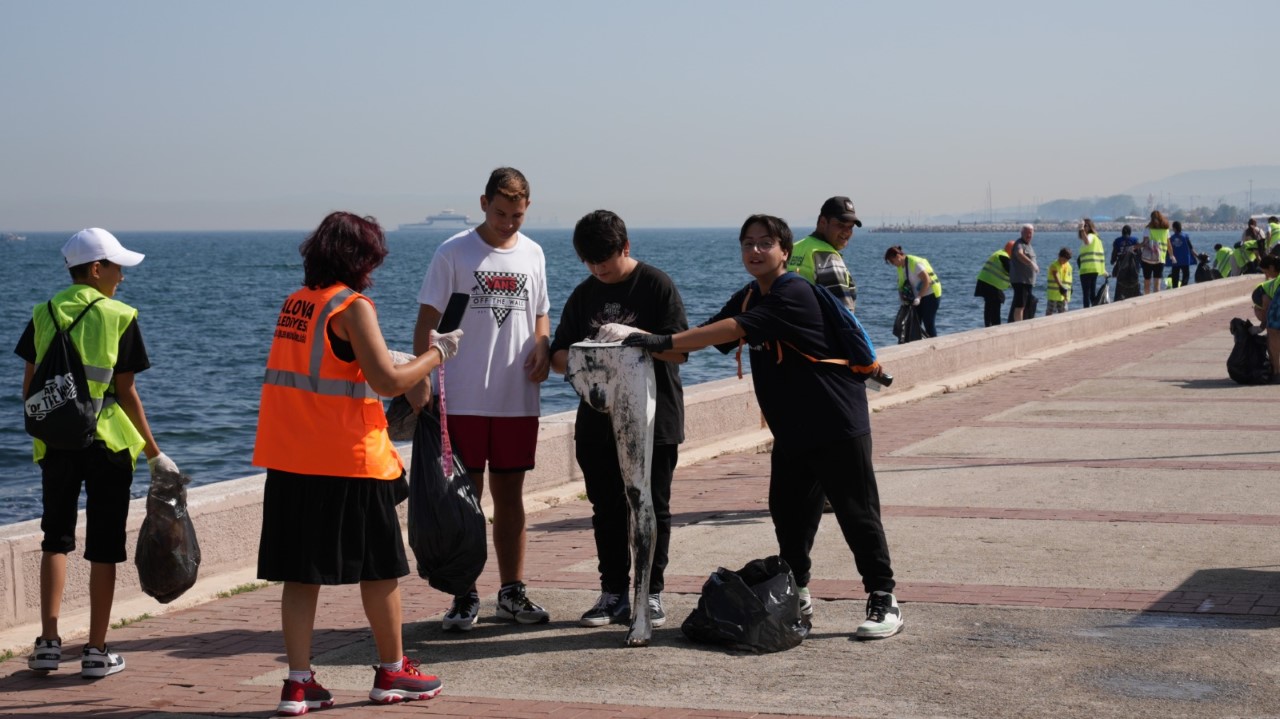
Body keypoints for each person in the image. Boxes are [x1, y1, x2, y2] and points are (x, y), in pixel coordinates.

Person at [622, 214, 903, 640]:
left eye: (765, 243)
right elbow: (709, 336)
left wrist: (663, 342)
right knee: (790, 518)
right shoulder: (752, 294)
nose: (755, 251)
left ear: (784, 252)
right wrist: (640, 342)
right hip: (792, 431)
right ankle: (798, 593)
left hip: (838, 424)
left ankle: (884, 598)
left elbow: (734, 329)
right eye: (747, 243)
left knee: (857, 514)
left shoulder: (793, 292)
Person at [254, 212, 454, 714]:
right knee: (381, 571)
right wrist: (437, 355)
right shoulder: (352, 305)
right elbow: (388, 382)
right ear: (362, 258)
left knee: (300, 575)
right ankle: (392, 672)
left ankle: (298, 684)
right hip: (349, 461)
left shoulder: (296, 305)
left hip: (291, 459)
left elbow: (324, 369)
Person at [16, 228, 170, 679]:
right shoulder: (119, 316)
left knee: (55, 538)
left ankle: (47, 643)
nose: (122, 277)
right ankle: (97, 651)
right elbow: (126, 393)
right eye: (118, 267)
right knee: (105, 546)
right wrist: (155, 452)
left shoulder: (43, 313)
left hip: (56, 443)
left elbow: (29, 389)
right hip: (107, 444)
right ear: (97, 269)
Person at [412, 167, 553, 631]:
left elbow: (541, 317)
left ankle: (511, 592)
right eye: (499, 212)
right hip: (463, 396)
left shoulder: (534, 253)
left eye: (516, 214)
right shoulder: (452, 252)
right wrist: (421, 381)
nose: (508, 222)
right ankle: (464, 593)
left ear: (527, 208)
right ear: (482, 203)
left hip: (516, 399)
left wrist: (541, 345)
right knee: (464, 500)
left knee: (510, 497)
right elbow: (426, 321)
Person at [547, 210, 688, 629]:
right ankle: (612, 594)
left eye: (604, 263)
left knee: (652, 506)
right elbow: (558, 357)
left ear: (625, 248)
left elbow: (680, 350)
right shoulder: (583, 293)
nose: (597, 271)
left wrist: (636, 339)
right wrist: (586, 354)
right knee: (605, 508)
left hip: (653, 419)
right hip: (596, 420)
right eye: (589, 264)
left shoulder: (656, 285)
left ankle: (652, 592)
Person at [787, 196, 862, 313]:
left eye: (850, 227)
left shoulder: (794, 248)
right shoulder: (827, 256)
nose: (847, 232)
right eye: (841, 225)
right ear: (822, 222)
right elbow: (843, 314)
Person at [884, 245, 941, 337]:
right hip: (918, 296)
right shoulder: (900, 267)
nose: (892, 264)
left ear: (898, 256)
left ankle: (934, 345)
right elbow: (901, 285)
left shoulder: (914, 263)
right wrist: (902, 299)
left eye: (892, 261)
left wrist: (919, 297)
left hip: (931, 294)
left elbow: (927, 281)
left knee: (928, 323)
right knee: (915, 323)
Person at [974, 244, 1011, 327]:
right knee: (995, 302)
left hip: (986, 281)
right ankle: (995, 325)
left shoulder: (1000, 253)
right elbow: (1011, 271)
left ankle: (989, 325)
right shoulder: (1004, 256)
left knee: (991, 303)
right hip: (989, 282)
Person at [1008, 224, 1039, 322]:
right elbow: (1019, 254)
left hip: (1028, 282)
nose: (1029, 235)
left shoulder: (1028, 245)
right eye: (1027, 233)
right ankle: (1018, 325)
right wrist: (1031, 264)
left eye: (1030, 233)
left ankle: (1022, 322)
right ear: (1022, 233)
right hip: (1020, 281)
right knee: (1020, 305)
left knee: (1026, 304)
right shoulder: (1019, 243)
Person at [1076, 219, 1105, 308]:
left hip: (1086, 270)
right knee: (1092, 294)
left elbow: (1087, 241)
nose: (1084, 228)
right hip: (1094, 269)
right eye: (1083, 226)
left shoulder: (1091, 236)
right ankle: (1095, 309)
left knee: (1086, 294)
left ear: (1090, 227)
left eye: (1085, 226)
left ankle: (1086, 311)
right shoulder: (1097, 238)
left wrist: (1081, 229)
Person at [1141, 210, 1171, 295]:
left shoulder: (1147, 229)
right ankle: (1156, 302)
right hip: (1160, 259)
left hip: (1147, 259)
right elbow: (1169, 245)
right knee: (1157, 284)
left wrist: (1135, 247)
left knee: (1147, 282)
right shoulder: (1166, 230)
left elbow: (1144, 243)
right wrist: (1172, 256)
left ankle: (1147, 301)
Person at [1166, 220, 1196, 289]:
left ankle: (1175, 288)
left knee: (1175, 276)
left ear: (1174, 228)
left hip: (1175, 260)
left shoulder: (1171, 238)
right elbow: (1191, 248)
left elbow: (1168, 249)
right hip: (1185, 259)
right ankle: (1183, 287)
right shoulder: (1186, 236)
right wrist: (1197, 256)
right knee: (1186, 275)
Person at [1251, 255, 1280, 325]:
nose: (1266, 276)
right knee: (1271, 314)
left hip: (1263, 291)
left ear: (1271, 268)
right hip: (1260, 293)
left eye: (1265, 272)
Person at [1045, 247, 1073, 315]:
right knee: (1050, 312)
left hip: (1064, 296)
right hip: (1053, 295)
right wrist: (1061, 287)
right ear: (1059, 256)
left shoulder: (1069, 266)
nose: (1064, 261)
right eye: (1063, 259)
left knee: (1063, 313)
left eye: (1066, 260)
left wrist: (1070, 288)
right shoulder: (1054, 265)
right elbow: (1056, 276)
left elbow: (1069, 279)